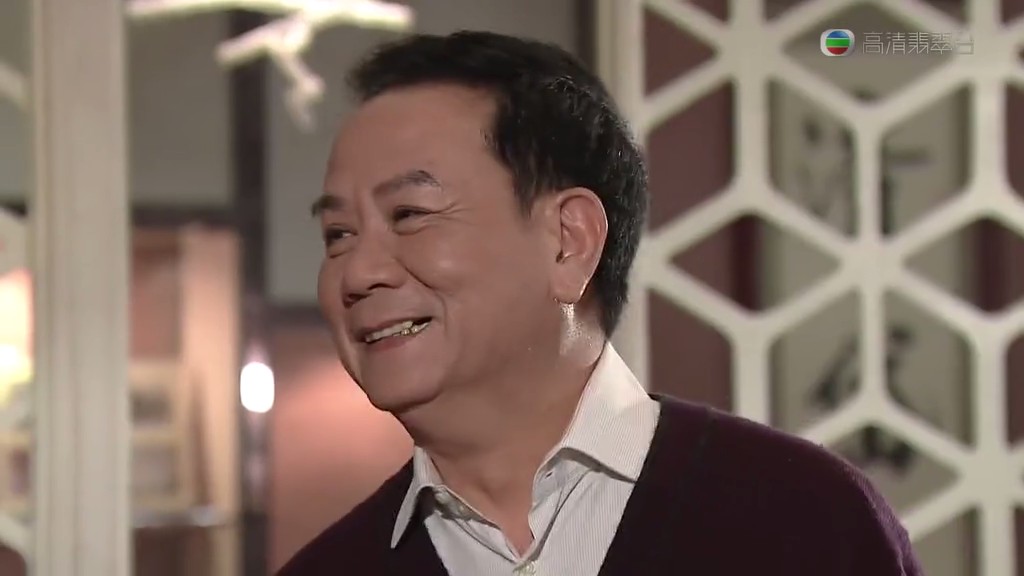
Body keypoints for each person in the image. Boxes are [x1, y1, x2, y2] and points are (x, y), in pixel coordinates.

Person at [278, 30, 922, 576]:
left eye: (410, 214)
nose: (356, 272)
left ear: (569, 241)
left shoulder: (804, 517)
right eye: (338, 235)